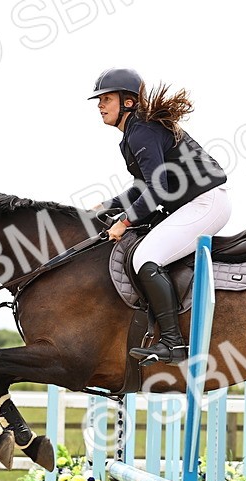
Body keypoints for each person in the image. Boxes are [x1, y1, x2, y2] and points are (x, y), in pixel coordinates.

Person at [89, 67, 231, 364]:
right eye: (99, 100)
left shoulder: (142, 130)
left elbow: (157, 190)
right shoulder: (134, 132)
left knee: (144, 257)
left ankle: (173, 344)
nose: (99, 105)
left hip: (205, 203)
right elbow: (143, 187)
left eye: (106, 98)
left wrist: (124, 221)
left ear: (128, 102)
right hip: (194, 203)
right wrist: (106, 205)